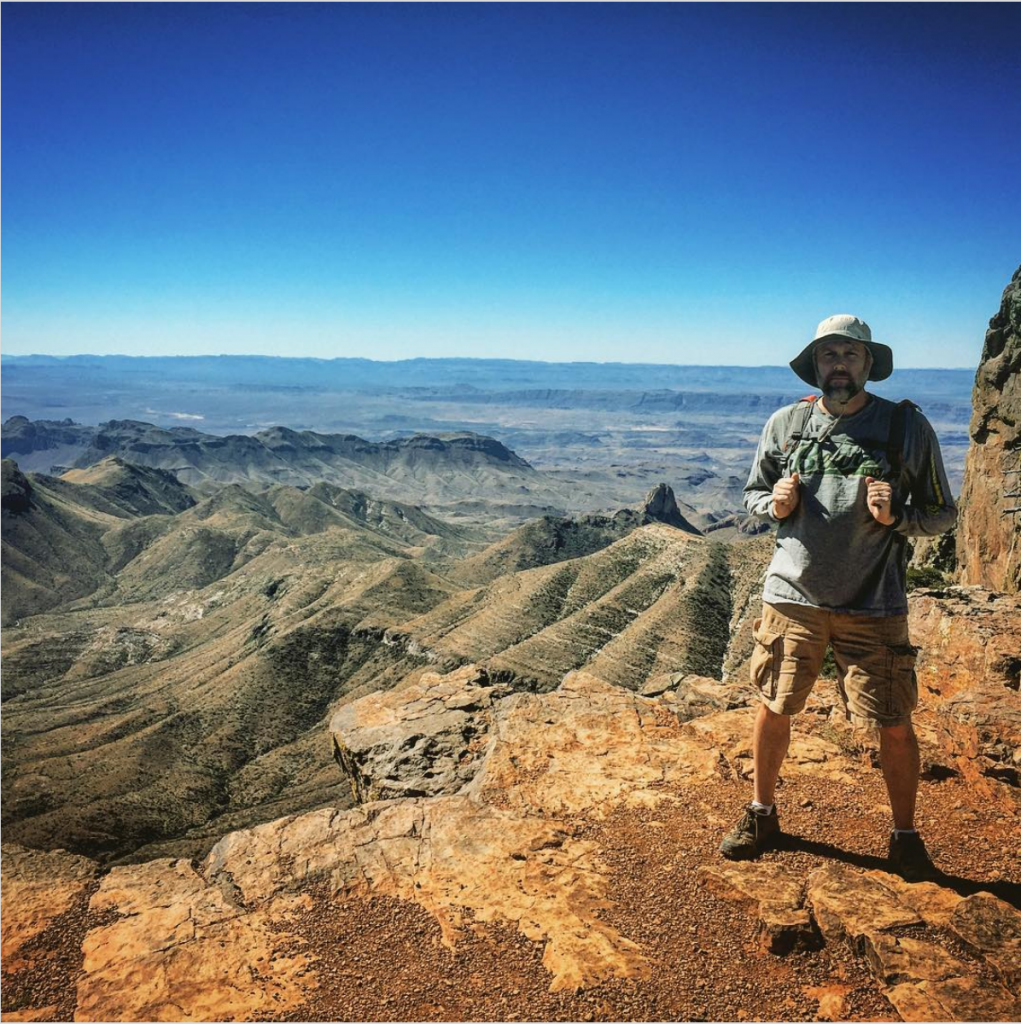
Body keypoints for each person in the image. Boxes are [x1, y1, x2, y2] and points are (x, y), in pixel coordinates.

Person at [720, 314, 957, 881]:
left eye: (850, 355)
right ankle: (762, 813)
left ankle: (904, 835)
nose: (839, 365)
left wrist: (898, 517)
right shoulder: (786, 423)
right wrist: (771, 505)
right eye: (829, 355)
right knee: (776, 704)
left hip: (874, 600)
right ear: (816, 365)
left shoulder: (905, 428)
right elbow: (753, 494)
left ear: (869, 364)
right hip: (792, 594)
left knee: (894, 721)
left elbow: (944, 512)